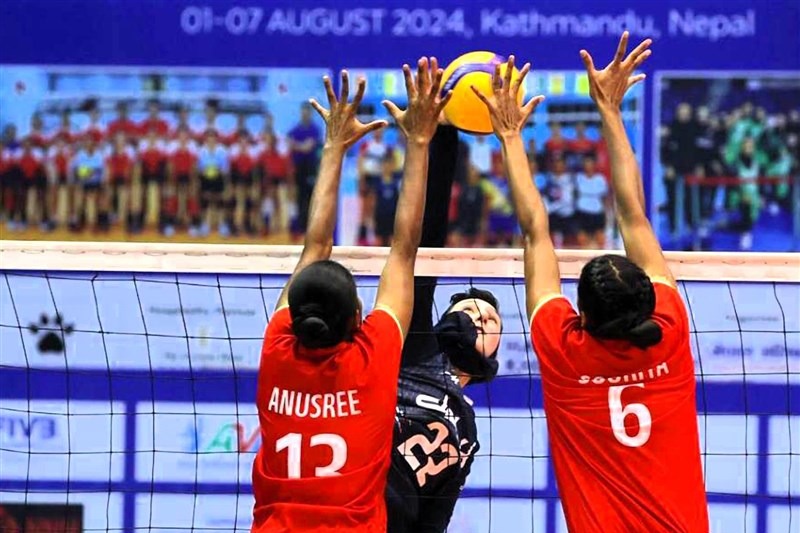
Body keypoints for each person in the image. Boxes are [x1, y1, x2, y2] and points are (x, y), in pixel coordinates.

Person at [473, 36, 709, 532]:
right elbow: (634, 217)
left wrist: (510, 136)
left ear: (580, 314)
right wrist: (612, 110)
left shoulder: (565, 350)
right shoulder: (668, 328)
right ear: (648, 300)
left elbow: (536, 231)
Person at [252, 59, 450, 532]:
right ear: (358, 318)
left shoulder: (278, 348)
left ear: (293, 317)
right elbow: (404, 250)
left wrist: (333, 146)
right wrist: (420, 142)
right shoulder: (372, 356)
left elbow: (314, 247)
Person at [385, 122, 506, 533]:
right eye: (469, 311)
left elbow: (436, 516)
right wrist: (442, 138)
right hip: (356, 509)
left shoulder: (468, 431)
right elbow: (423, 242)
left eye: (491, 321)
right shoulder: (415, 347)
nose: (480, 319)